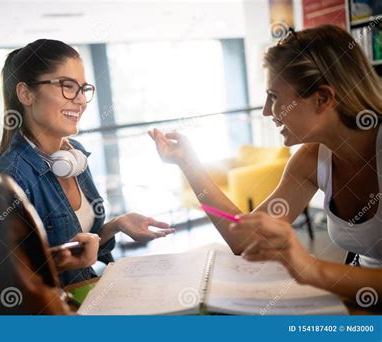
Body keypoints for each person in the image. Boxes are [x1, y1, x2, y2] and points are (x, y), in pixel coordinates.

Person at [149, 25, 382, 301]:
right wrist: (188, 163)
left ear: (322, 99)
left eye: (273, 96)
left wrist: (309, 268)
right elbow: (245, 240)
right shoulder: (310, 160)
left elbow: (309, 270)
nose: (265, 111)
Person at [0, 39, 174, 285]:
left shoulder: (75, 155)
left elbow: (87, 244)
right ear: (26, 93)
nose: (80, 100)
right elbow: (10, 279)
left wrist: (117, 225)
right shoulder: (13, 176)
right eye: (67, 86)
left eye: (83, 89)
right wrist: (61, 263)